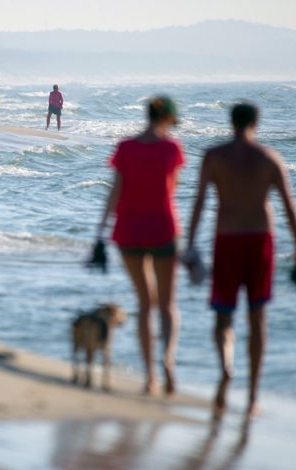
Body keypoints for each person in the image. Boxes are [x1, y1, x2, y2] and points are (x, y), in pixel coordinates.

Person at [186, 102, 296, 417]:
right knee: (257, 318)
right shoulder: (268, 157)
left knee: (223, 316)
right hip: (260, 241)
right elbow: (290, 208)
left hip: (226, 239)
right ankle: (253, 397)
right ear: (257, 121)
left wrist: (189, 244)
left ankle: (227, 367)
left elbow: (199, 202)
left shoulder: (214, 156)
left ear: (230, 122)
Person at [97, 96, 185, 396]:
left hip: (129, 232)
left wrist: (100, 232)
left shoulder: (125, 148)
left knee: (145, 304)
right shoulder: (172, 148)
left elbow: (115, 192)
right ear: (168, 119)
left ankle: (150, 377)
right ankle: (167, 361)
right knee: (167, 304)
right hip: (163, 228)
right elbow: (172, 187)